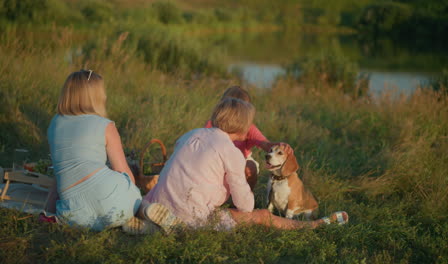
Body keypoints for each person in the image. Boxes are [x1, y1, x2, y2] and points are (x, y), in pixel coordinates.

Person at [144, 97, 348, 231]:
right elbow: (245, 205)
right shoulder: (230, 151)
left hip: (159, 200)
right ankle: (313, 225)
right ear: (244, 128)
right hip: (193, 214)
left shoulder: (191, 134)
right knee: (262, 215)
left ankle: (149, 221)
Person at [46, 70, 181, 233]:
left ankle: (127, 221)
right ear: (97, 97)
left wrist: (49, 208)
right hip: (111, 197)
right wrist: (135, 193)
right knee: (129, 193)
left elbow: (59, 172)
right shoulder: (105, 125)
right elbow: (122, 169)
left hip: (76, 213)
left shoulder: (54, 124)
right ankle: (143, 211)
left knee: (90, 211)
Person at [205, 86, 291, 191]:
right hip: (217, 161)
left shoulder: (248, 128)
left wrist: (280, 146)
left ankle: (246, 195)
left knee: (250, 167)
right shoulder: (212, 124)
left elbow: (265, 144)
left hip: (241, 161)